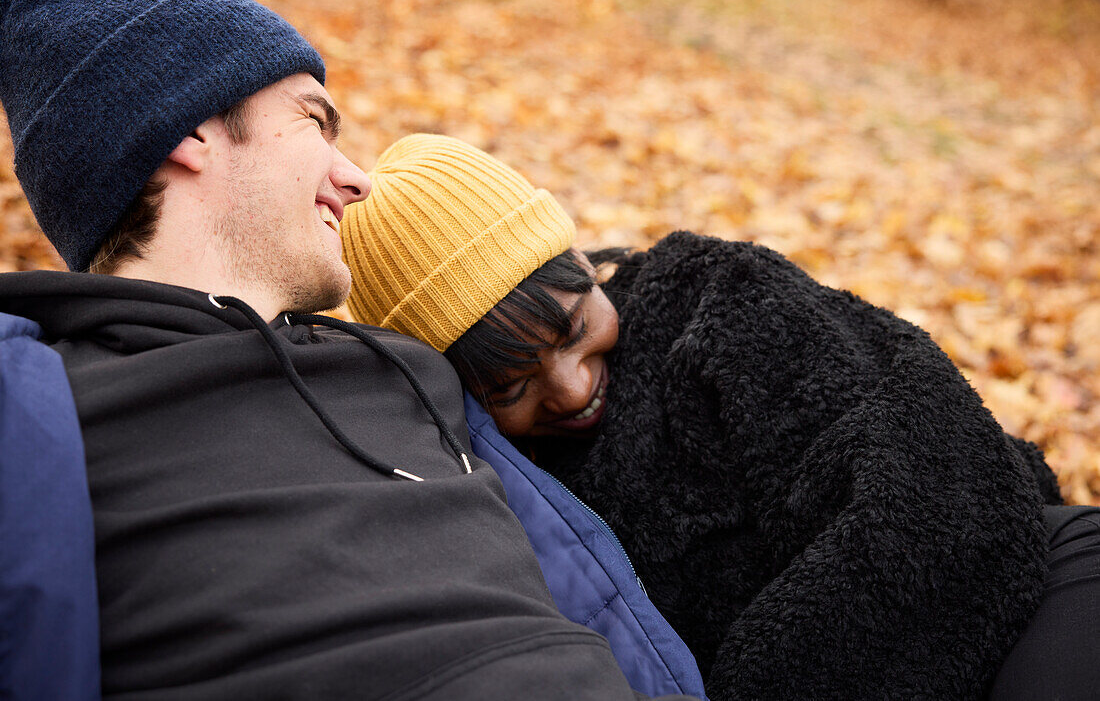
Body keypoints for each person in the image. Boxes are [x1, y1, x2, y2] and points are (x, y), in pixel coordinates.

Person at [0, 0, 701, 699]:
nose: (357, 179)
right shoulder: (35, 411)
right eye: (313, 120)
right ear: (189, 134)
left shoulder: (404, 365)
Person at [341, 133, 1099, 701]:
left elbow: (921, 480)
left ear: (578, 265)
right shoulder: (507, 488)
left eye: (574, 330)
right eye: (511, 389)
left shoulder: (715, 301)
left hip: (1023, 576)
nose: (570, 390)